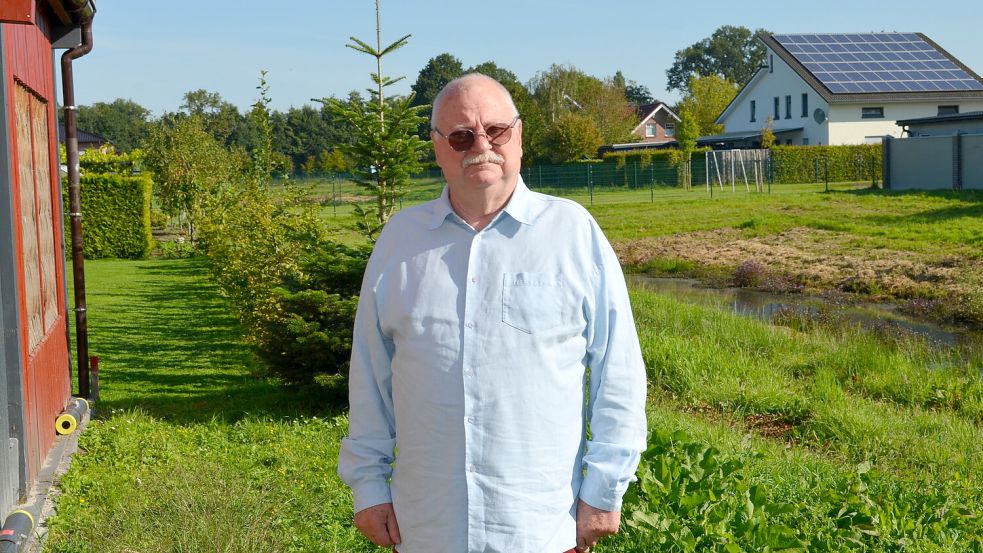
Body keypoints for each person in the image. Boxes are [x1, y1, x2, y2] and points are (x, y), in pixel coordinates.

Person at [338, 73, 647, 553]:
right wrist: (369, 488)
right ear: (439, 147)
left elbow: (619, 372)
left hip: (540, 527)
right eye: (461, 136)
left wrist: (604, 490)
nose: (480, 145)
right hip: (428, 529)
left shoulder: (571, 232)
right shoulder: (400, 242)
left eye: (496, 130)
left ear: (519, 135)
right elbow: (370, 377)